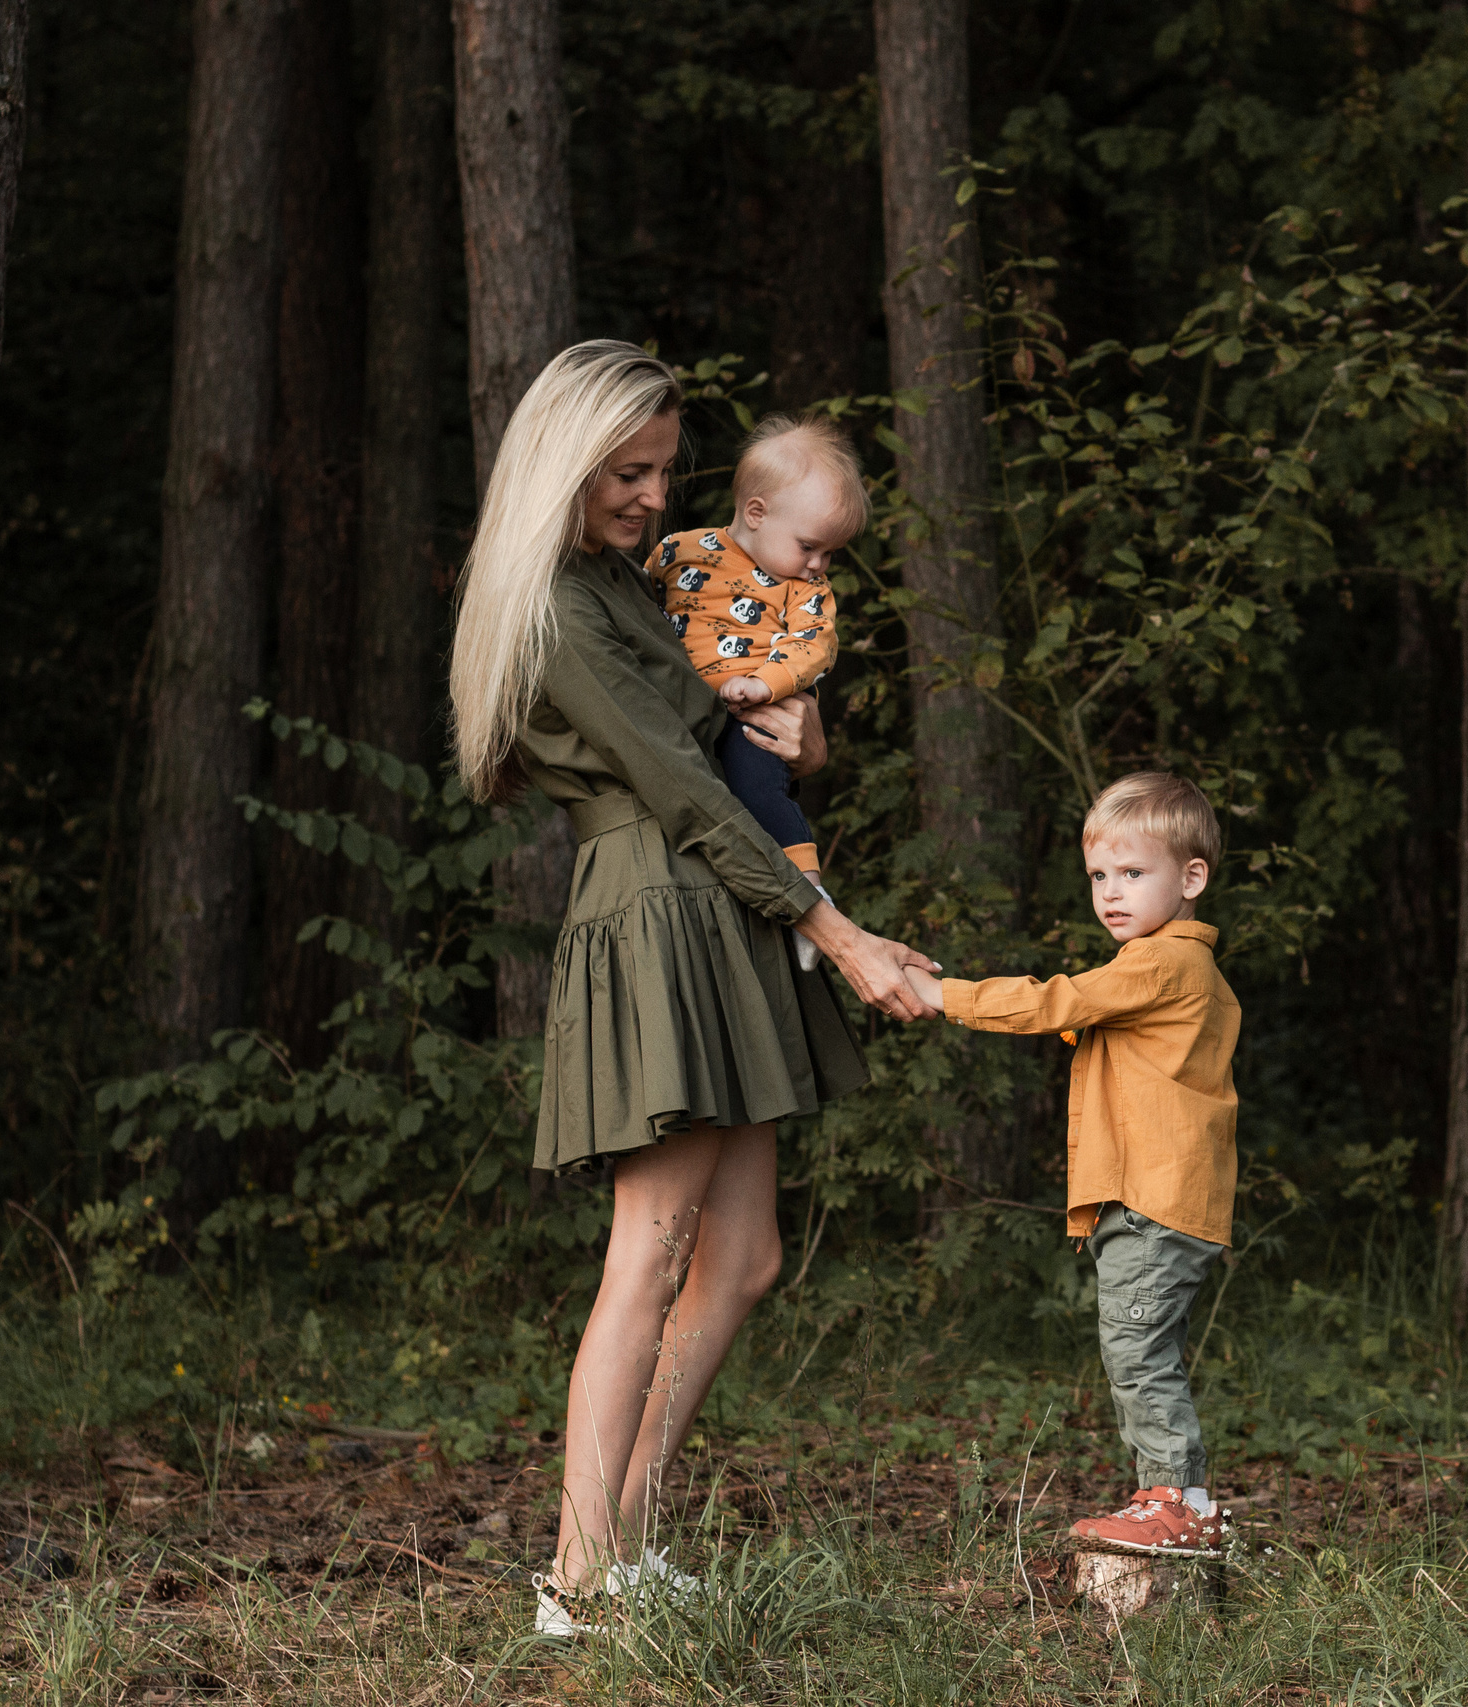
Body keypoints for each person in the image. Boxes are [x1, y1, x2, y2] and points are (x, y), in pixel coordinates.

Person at [446, 339, 935, 1637]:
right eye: (631, 470)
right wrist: (840, 932)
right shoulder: (553, 605)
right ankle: (582, 1574)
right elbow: (676, 787)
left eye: (667, 469)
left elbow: (728, 731)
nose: (658, 497)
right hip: (661, 909)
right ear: (568, 459)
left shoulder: (619, 581)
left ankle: (626, 1534)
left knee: (747, 1254)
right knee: (650, 1250)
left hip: (716, 895)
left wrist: (808, 734)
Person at [901, 772, 1240, 1559]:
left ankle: (1175, 1501)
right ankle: (1179, 1500)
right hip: (1164, 1196)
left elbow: (1056, 1002)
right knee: (1143, 1346)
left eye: (1133, 872)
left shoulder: (1161, 964)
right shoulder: (1183, 972)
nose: (1111, 893)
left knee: (1136, 1348)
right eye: (1098, 876)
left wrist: (943, 994)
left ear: (1192, 878)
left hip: (1156, 1198)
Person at [648, 413, 860, 968]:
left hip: (752, 716)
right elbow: (640, 609)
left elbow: (814, 647)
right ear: (756, 513)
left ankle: (812, 900)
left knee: (762, 791)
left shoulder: (803, 588)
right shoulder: (677, 551)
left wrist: (762, 684)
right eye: (811, 547)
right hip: (677, 715)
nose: (820, 566)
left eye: (830, 554)